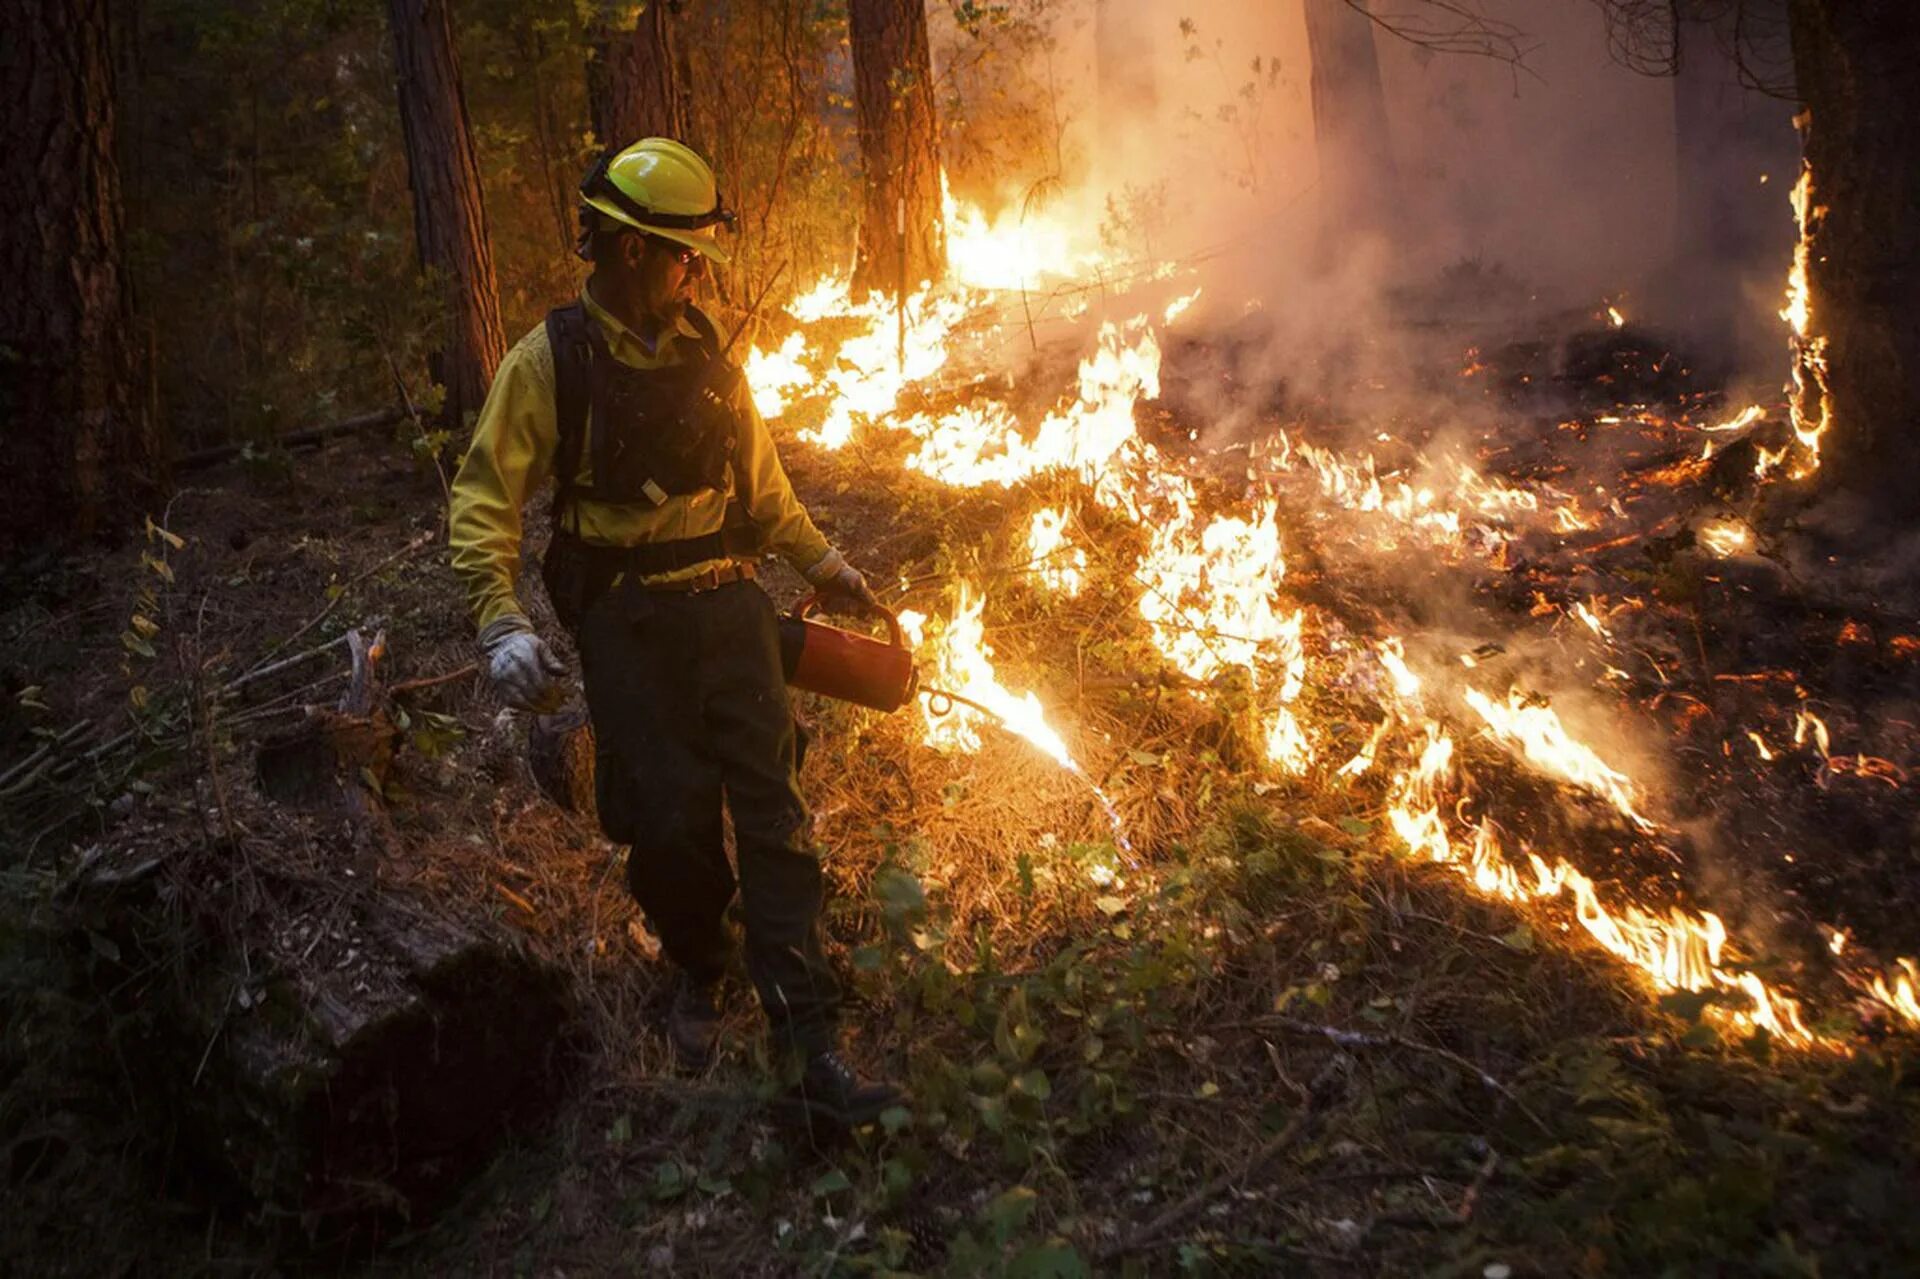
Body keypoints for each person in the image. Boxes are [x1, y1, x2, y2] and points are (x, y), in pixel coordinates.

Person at [446, 137, 901, 1127]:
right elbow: (484, 496)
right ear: (624, 249)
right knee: (671, 826)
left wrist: (827, 568)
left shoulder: (711, 362)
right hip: (630, 626)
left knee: (775, 817)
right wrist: (499, 617)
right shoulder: (550, 362)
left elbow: (769, 494)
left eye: (698, 256)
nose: (696, 271)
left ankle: (807, 1038)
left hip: (733, 611)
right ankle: (699, 960)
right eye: (681, 253)